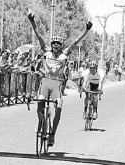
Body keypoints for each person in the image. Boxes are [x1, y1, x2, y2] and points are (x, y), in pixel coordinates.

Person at [28, 11, 93, 146]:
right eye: (54, 43)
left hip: (57, 83)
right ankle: (41, 122)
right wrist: (32, 21)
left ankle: (52, 135)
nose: (56, 45)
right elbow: (38, 34)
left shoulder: (65, 54)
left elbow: (76, 41)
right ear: (51, 45)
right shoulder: (46, 50)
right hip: (45, 81)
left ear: (61, 45)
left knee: (58, 107)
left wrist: (86, 30)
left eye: (58, 43)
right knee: (40, 104)